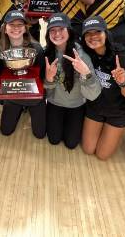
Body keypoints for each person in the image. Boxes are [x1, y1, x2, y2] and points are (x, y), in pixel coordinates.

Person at [80, 16, 125, 160]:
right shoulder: (86, 56)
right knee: (88, 149)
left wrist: (122, 82)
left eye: (97, 32)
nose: (93, 37)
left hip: (118, 111)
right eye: (88, 33)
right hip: (95, 107)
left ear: (106, 33)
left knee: (102, 155)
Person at [43, 13, 101, 149]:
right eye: (52, 30)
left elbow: (93, 95)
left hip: (76, 106)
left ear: (69, 31)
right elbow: (46, 88)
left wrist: (86, 73)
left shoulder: (81, 56)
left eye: (61, 29)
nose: (57, 34)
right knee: (54, 140)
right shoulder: (47, 54)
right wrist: (49, 79)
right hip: (54, 103)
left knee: (71, 144)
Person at [0, 10, 46, 139]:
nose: (16, 28)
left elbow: (42, 77)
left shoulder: (37, 49)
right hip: (13, 95)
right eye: (12, 25)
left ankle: (29, 109)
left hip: (34, 98)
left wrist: (39, 97)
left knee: (40, 134)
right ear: (5, 28)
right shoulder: (0, 48)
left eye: (20, 25)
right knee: (5, 131)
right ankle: (20, 109)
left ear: (25, 28)